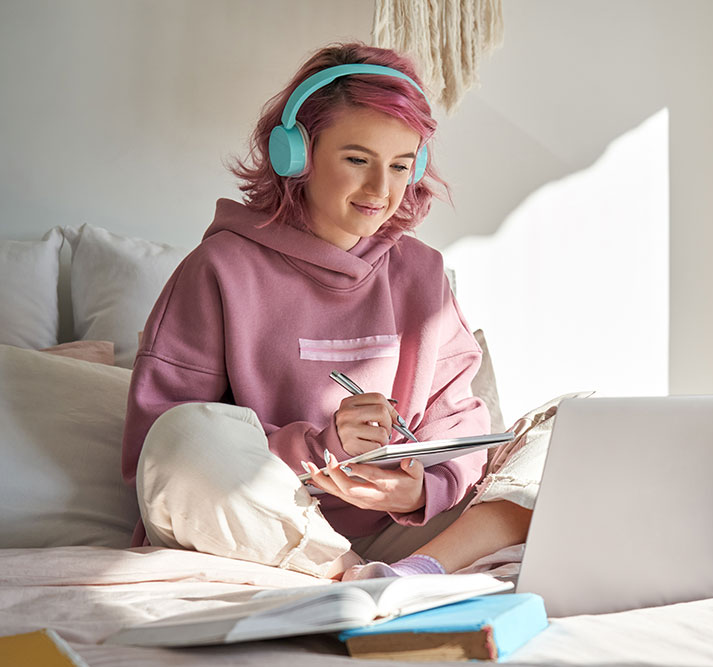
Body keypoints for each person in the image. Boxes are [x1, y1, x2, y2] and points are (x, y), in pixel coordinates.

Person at [121, 43, 534, 580]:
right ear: (297, 154)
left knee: (557, 432)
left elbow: (458, 420)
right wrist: (321, 448)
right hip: (264, 525)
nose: (381, 190)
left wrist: (420, 491)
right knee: (182, 438)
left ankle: (411, 575)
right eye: (357, 159)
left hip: (399, 534)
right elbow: (157, 450)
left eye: (401, 165)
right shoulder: (219, 268)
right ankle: (350, 575)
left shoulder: (423, 274)